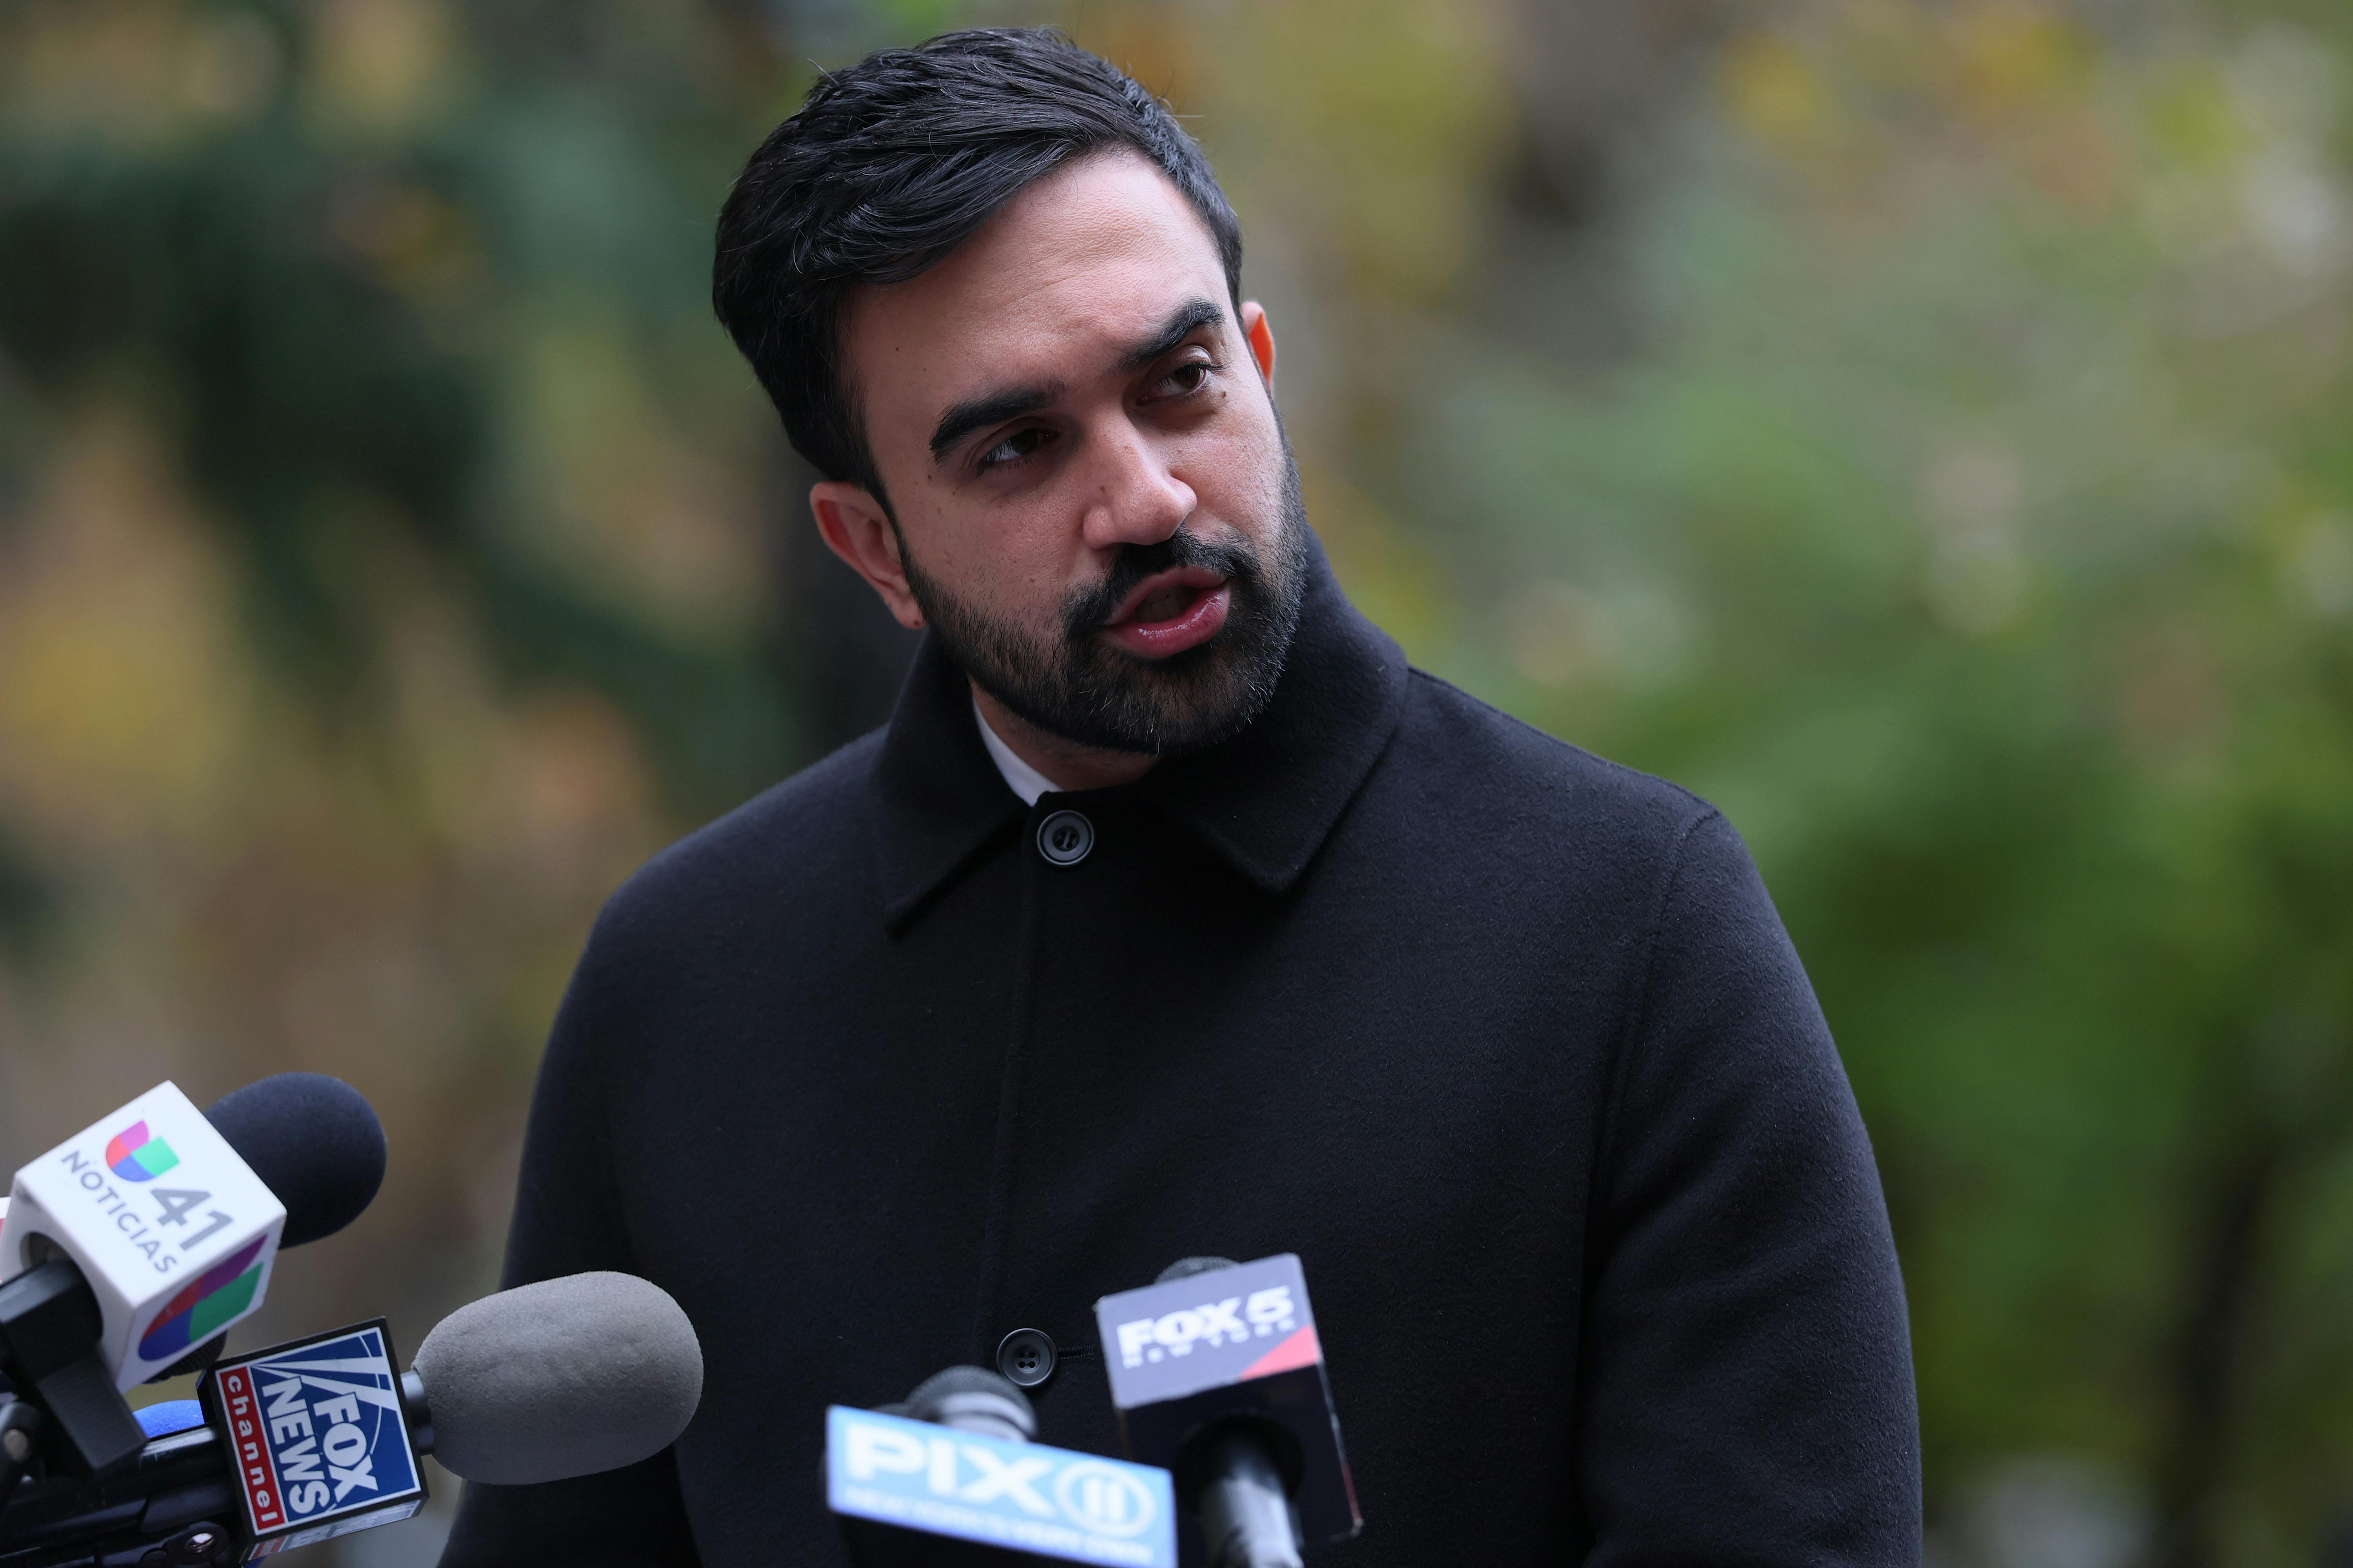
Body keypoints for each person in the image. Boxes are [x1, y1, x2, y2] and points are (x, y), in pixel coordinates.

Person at [438, 27, 1920, 1566]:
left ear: (1260, 366)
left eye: (1180, 382)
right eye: (1020, 448)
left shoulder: (1630, 929)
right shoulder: (683, 981)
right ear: (874, 549)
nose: (1146, 498)